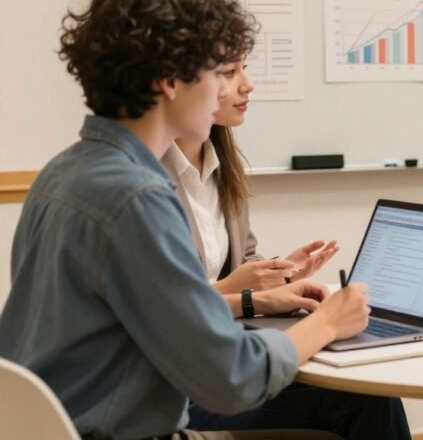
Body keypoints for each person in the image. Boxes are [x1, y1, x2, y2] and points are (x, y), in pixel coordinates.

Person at [0, 0, 371, 440]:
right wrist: (329, 322)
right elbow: (233, 379)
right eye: (218, 73)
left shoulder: (63, 173)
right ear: (168, 80)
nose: (223, 93)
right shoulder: (136, 198)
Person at [163, 56, 410, 439]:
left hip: (224, 358)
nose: (247, 85)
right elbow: (164, 306)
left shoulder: (222, 164)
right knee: (362, 398)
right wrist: (246, 294)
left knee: (369, 394)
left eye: (245, 68)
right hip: (181, 389)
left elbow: (240, 260)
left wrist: (277, 273)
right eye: (230, 72)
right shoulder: (144, 185)